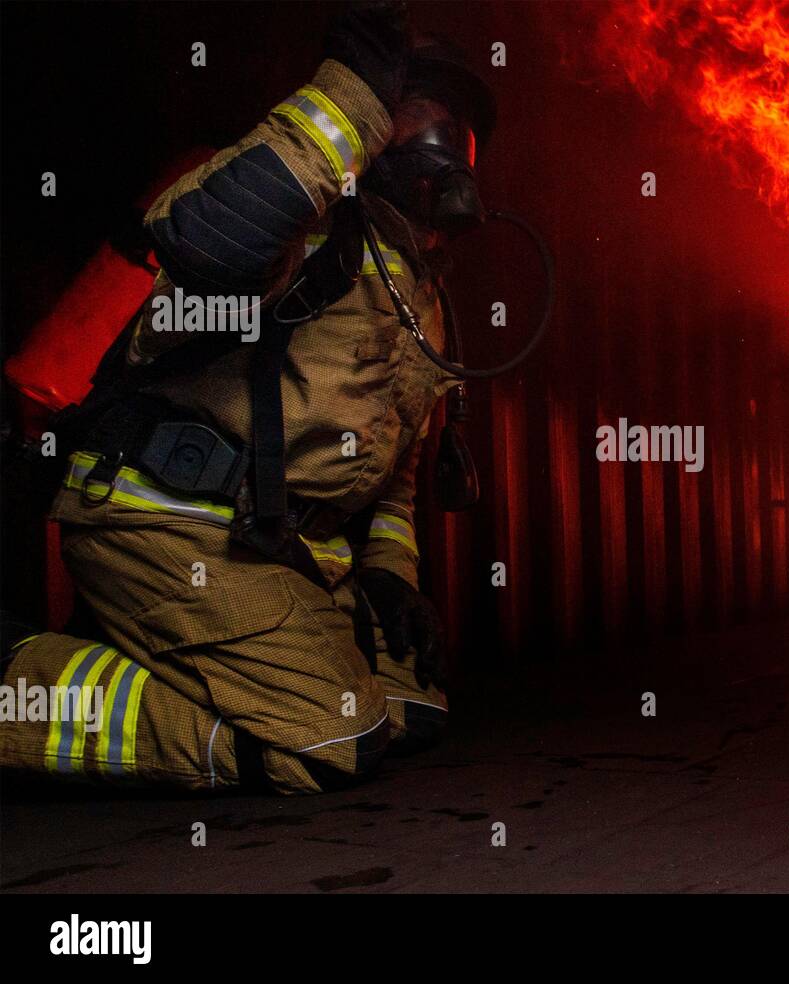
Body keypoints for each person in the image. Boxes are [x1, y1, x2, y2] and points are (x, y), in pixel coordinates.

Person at [0, 3, 496, 794]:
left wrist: (388, 573)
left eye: (457, 127)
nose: (442, 145)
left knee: (411, 707)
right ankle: (17, 690)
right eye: (418, 114)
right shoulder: (297, 225)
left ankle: (175, 656)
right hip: (164, 520)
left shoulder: (425, 299)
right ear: (376, 123)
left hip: (276, 552)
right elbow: (204, 244)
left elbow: (399, 473)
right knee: (330, 741)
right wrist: (348, 108)